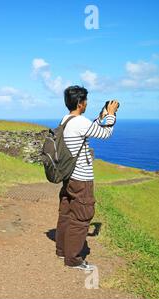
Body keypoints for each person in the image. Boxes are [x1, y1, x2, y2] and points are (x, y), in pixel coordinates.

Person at [55, 85, 119, 271]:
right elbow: (105, 134)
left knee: (66, 214)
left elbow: (88, 129)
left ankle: (62, 250)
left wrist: (100, 118)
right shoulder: (79, 122)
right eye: (86, 101)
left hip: (69, 177)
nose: (87, 103)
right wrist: (112, 114)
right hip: (81, 179)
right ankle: (73, 260)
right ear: (81, 104)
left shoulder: (67, 119)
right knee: (82, 217)